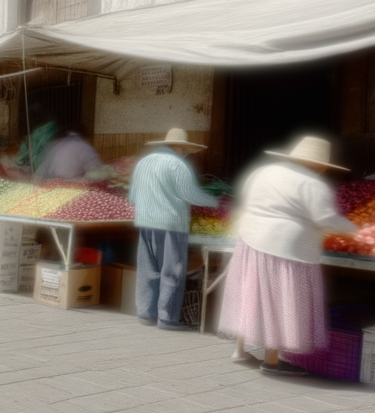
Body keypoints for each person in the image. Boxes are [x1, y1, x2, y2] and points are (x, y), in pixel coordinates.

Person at [219, 136, 356, 375]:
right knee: (280, 299)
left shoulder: (263, 172)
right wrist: (357, 231)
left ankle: (239, 351)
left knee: (251, 293)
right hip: (285, 248)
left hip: (250, 239)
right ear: (321, 165)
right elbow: (325, 219)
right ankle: (271, 361)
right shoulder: (313, 184)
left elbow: (247, 198)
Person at [127, 128, 218, 330]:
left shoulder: (143, 163)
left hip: (145, 222)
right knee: (172, 270)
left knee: (147, 269)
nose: (185, 153)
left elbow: (133, 195)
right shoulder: (177, 164)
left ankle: (145, 312)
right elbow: (191, 194)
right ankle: (167, 318)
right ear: (179, 148)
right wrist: (216, 201)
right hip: (171, 224)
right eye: (184, 150)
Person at [37, 129, 103, 181]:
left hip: (46, 185)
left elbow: (40, 172)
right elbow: (97, 172)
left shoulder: (56, 144)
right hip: (67, 187)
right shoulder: (83, 146)